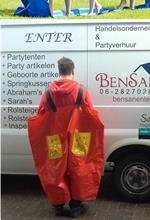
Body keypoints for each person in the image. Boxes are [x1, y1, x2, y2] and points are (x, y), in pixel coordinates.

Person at [28, 57, 103, 218]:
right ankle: (76, 206)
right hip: (78, 138)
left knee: (55, 168)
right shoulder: (82, 90)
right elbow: (91, 113)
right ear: (73, 71)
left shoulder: (48, 93)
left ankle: (58, 206)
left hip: (54, 138)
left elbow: (40, 114)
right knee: (79, 167)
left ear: (59, 71)